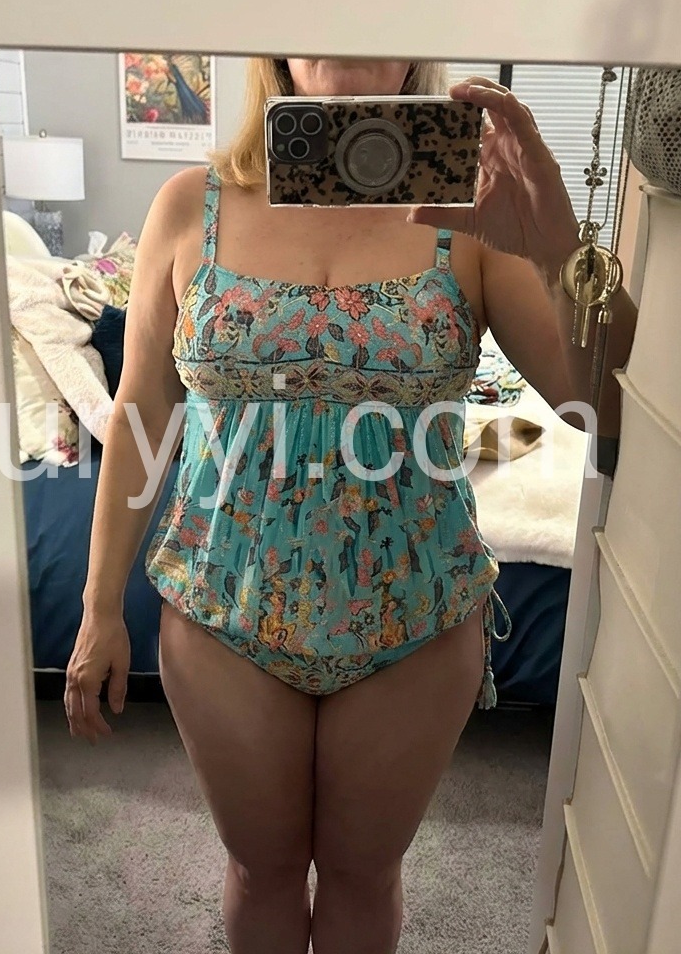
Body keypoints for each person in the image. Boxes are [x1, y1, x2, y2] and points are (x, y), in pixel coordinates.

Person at [64, 58, 638, 954]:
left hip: (416, 612)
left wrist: (560, 250)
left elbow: (605, 404)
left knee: (364, 874)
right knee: (259, 869)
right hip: (223, 607)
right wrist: (100, 605)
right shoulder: (186, 206)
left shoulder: (468, 218)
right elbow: (141, 409)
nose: (345, 45)